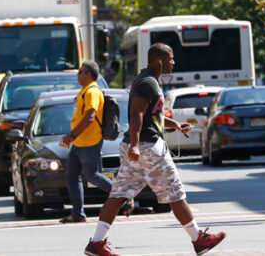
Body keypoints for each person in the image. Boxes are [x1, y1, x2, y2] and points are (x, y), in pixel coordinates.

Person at [83, 43, 225, 256]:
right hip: (147, 148)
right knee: (175, 192)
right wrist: (135, 144)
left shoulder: (149, 81)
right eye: (171, 58)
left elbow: (152, 116)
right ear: (159, 60)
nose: (173, 62)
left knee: (118, 195)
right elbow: (137, 115)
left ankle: (96, 242)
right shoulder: (147, 83)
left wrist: (174, 124)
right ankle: (198, 239)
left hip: (139, 148)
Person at [60, 61, 111, 224]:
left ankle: (122, 194)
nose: (78, 75)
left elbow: (90, 116)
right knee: (71, 175)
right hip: (79, 142)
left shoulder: (92, 91)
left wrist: (72, 135)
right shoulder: (85, 91)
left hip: (89, 141)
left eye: (80, 72)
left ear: (88, 74)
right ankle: (78, 214)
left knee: (92, 175)